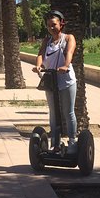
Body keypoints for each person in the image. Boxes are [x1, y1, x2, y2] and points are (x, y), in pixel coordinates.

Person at [33, 10, 78, 155]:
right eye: (48, 26)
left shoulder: (68, 38)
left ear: (61, 24)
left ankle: (72, 141)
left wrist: (65, 65)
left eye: (54, 25)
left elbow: (70, 52)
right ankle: (55, 143)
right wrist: (39, 66)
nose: (51, 28)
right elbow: (40, 54)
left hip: (66, 80)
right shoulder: (47, 41)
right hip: (51, 80)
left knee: (68, 112)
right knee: (53, 112)